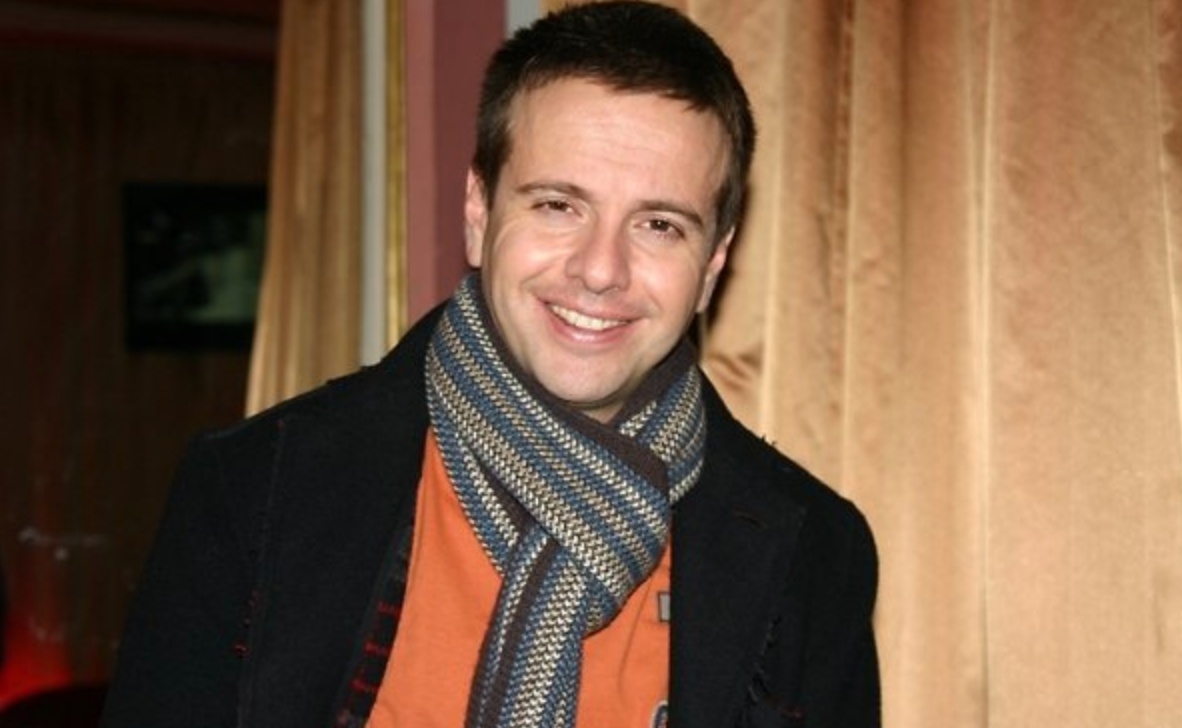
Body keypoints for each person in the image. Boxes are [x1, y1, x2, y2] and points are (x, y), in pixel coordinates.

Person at [99, 2, 879, 727]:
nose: (600, 269)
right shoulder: (252, 493)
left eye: (659, 225)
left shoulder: (816, 556)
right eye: (558, 205)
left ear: (711, 266)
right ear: (479, 212)